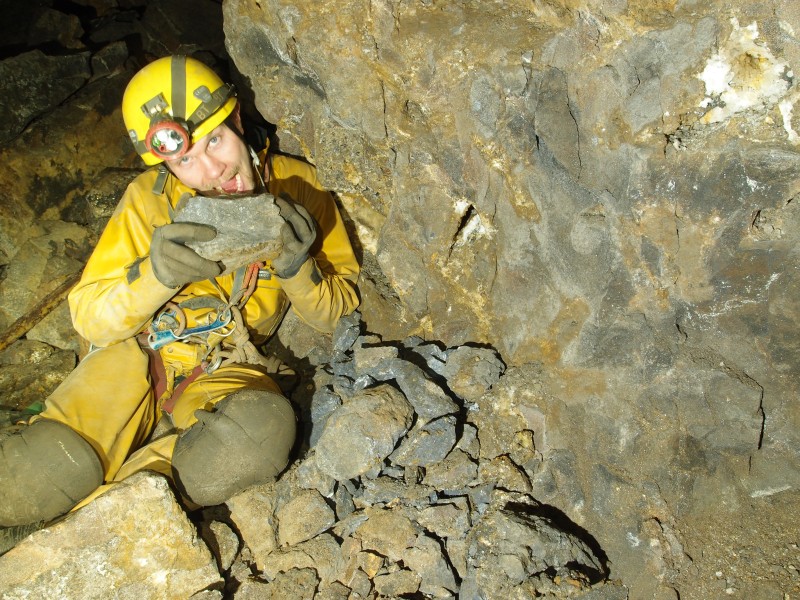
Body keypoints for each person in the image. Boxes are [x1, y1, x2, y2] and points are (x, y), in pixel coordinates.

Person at [0, 55, 360, 527]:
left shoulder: (301, 188)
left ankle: (116, 515)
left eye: (216, 140)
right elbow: (89, 317)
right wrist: (155, 275)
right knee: (29, 478)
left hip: (227, 362)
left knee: (254, 434)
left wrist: (298, 267)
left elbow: (341, 317)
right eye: (185, 159)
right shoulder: (150, 199)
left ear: (236, 120)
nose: (213, 172)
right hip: (138, 351)